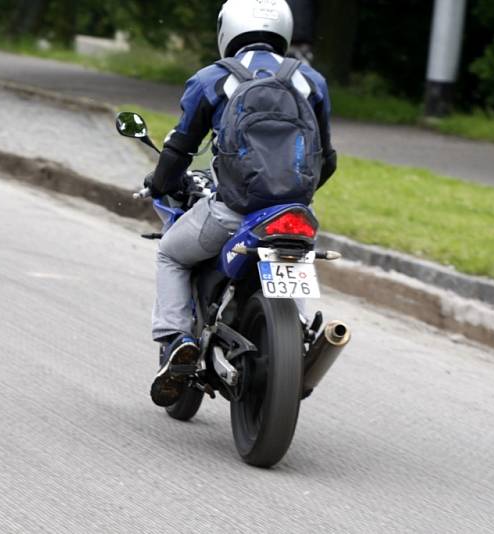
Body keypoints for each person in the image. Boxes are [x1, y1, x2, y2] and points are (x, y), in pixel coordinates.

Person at [147, 0, 337, 407]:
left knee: (170, 254)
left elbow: (181, 148)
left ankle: (176, 339)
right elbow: (328, 159)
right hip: (294, 215)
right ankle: (299, 340)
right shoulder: (311, 81)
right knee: (296, 259)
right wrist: (292, 196)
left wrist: (160, 183)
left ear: (226, 28)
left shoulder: (213, 78)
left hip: (231, 212)